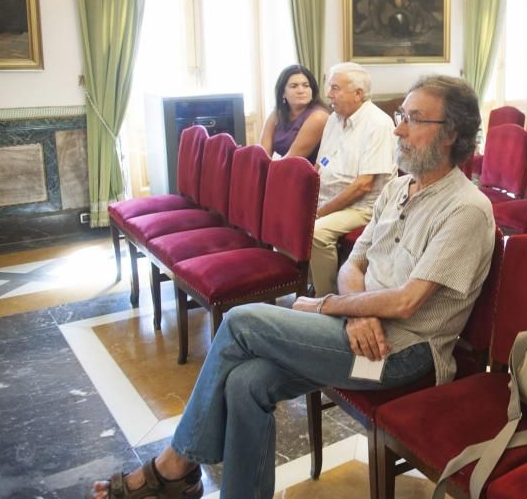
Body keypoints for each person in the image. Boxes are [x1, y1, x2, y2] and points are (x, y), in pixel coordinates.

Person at [91, 75, 496, 499]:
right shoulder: (398, 188)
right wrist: (353, 309)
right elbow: (353, 263)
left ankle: (175, 466)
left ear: (450, 133)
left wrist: (328, 306)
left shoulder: (467, 209)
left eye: (413, 119)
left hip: (401, 354)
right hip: (363, 331)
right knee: (246, 382)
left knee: (240, 321)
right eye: (400, 116)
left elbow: (408, 301)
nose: (398, 128)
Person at [310, 63, 397, 296]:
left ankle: (326, 299)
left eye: (335, 88)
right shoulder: (333, 119)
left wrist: (321, 211)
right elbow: (319, 166)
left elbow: (364, 185)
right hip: (329, 198)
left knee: (316, 232)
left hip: (364, 207)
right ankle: (306, 281)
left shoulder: (378, 124)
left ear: (358, 94)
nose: (328, 94)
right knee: (284, 218)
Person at [258, 64, 329, 164]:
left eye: (306, 85)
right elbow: (262, 154)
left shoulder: (319, 116)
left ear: (312, 90)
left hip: (311, 174)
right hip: (284, 170)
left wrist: (270, 172)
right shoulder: (276, 114)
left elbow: (292, 158)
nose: (301, 90)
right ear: (283, 93)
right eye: (294, 86)